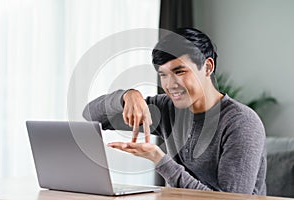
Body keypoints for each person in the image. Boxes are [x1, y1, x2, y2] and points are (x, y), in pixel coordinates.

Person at [82, 28, 267, 195]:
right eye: (163, 75)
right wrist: (127, 96)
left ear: (208, 67)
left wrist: (160, 159)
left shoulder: (242, 123)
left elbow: (231, 199)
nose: (170, 85)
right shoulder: (166, 108)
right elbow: (91, 115)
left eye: (179, 72)